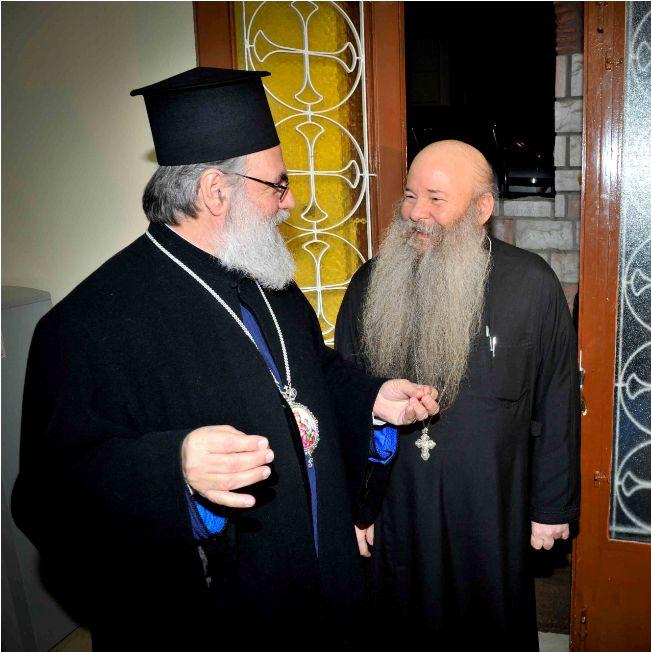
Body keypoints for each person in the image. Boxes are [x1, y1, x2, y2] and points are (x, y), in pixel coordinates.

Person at [11, 67, 439, 648]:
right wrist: (175, 469)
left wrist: (372, 399)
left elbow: (309, 378)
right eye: (277, 185)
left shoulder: (268, 280)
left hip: (323, 584)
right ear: (216, 191)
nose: (290, 203)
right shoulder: (87, 324)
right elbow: (47, 497)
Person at [335, 140, 580, 648]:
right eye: (410, 195)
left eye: (435, 199)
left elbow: (556, 399)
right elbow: (347, 396)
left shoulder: (531, 283)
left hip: (492, 504)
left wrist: (551, 505)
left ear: (482, 208)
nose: (415, 212)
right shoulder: (369, 284)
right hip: (398, 503)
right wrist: (359, 505)